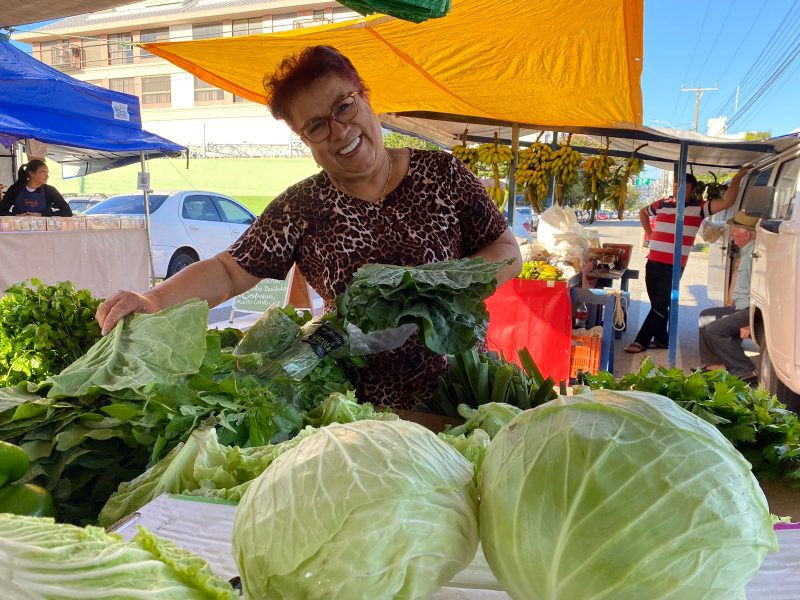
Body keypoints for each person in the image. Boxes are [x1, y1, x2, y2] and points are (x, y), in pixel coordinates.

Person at [95, 45, 522, 410]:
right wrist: (151, 300)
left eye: (344, 106)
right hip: (357, 410)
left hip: (459, 395)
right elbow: (229, 270)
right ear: (306, 141)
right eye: (317, 125)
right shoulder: (302, 205)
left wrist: (436, 287)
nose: (340, 130)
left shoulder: (442, 173)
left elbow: (506, 250)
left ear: (365, 97)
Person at [624, 167, 748, 354]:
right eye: (676, 187)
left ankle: (641, 341)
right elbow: (643, 212)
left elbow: (727, 202)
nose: (678, 191)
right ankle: (662, 339)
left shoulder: (699, 208)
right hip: (653, 261)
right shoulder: (662, 204)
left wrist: (738, 178)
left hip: (674, 266)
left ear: (693, 190)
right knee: (658, 302)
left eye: (684, 188)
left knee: (660, 304)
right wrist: (649, 233)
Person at [697, 211, 759, 383]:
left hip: (750, 310)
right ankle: (714, 365)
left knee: (715, 329)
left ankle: (746, 370)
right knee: (706, 317)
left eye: (736, 229)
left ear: (747, 233)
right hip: (740, 307)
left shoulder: (755, 255)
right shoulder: (746, 251)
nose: (732, 233)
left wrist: (750, 322)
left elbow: (760, 291)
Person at [0, 160, 72, 217]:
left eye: (47, 173)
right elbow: (1, 211)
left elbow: (67, 211)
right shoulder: (15, 189)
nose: (47, 176)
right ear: (31, 174)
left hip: (43, 232)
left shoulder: (50, 190)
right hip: (19, 230)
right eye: (43, 173)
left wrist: (42, 215)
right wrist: (16, 215)